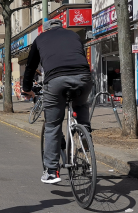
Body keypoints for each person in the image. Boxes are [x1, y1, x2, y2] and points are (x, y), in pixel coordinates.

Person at [21, 19, 93, 184]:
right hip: (83, 77)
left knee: (52, 125)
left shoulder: (40, 39)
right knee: (81, 104)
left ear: (45, 30)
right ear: (62, 27)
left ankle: (51, 171)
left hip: (56, 80)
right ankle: (85, 135)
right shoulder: (73, 36)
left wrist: (27, 88)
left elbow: (30, 67)